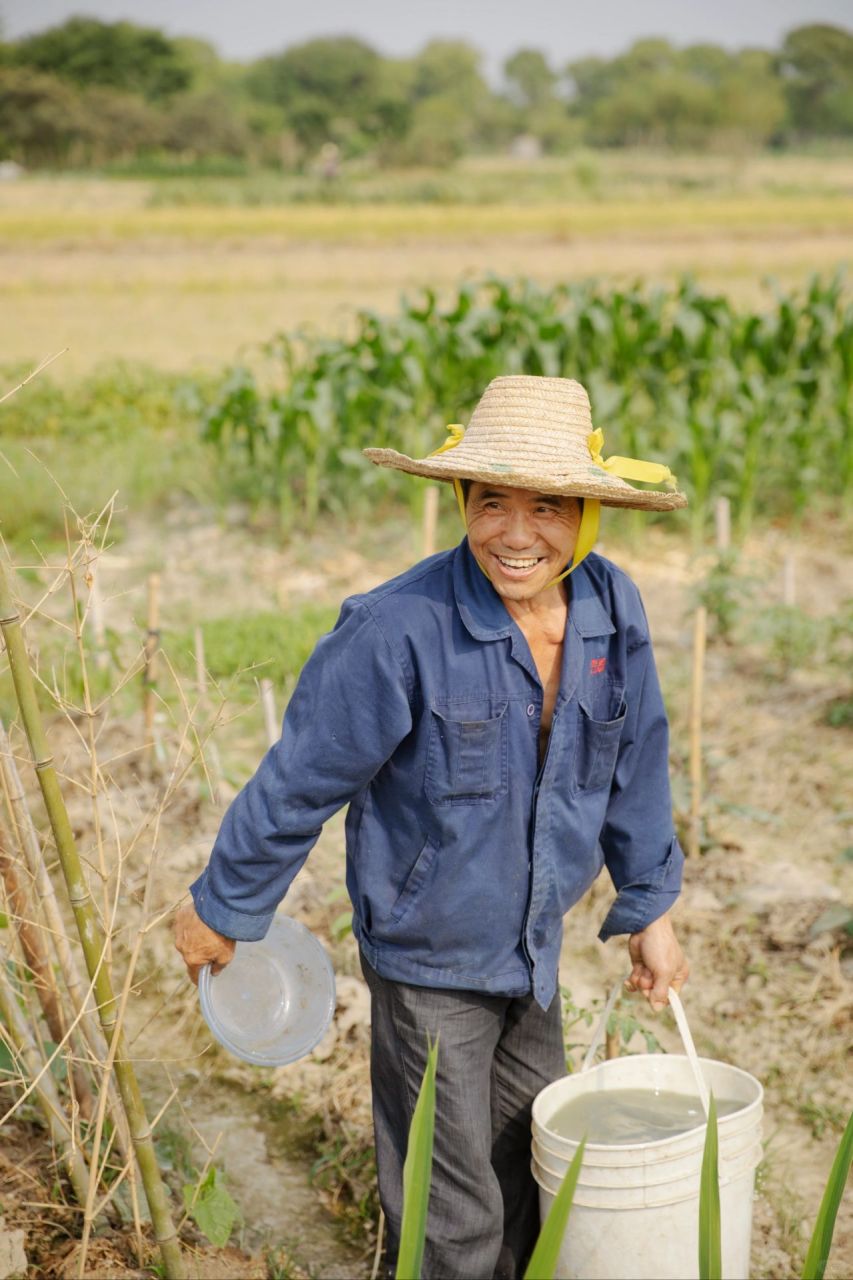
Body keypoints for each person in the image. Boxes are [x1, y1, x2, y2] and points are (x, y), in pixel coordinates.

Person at [175, 375, 690, 1279]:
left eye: (548, 507)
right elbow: (302, 777)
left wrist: (649, 908)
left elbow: (635, 764)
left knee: (531, 1168)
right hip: (426, 955)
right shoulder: (396, 629)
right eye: (492, 502)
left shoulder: (612, 612)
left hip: (534, 950)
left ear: (588, 514)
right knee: (449, 1211)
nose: (517, 534)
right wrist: (222, 905)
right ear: (460, 501)